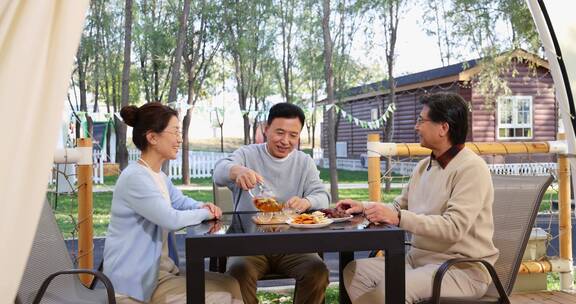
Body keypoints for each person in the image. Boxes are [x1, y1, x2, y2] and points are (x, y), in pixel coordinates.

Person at [337, 92, 499, 303]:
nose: (416, 127)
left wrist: (398, 217)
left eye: (421, 121)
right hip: (417, 261)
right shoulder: (424, 166)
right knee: (354, 271)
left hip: (459, 269)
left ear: (444, 128)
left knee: (389, 291)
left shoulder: (472, 168)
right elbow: (397, 206)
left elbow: (453, 228)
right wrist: (364, 207)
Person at [103, 102, 243, 304]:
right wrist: (206, 214)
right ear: (152, 137)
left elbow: (180, 202)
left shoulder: (157, 175)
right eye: (175, 132)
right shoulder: (135, 177)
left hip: (161, 275)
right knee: (225, 298)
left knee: (231, 284)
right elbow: (171, 219)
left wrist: (201, 206)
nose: (180, 139)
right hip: (136, 285)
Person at [213, 102, 330, 304]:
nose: (285, 141)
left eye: (293, 135)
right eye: (279, 132)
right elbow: (219, 172)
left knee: (317, 271)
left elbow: (323, 196)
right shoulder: (247, 154)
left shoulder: (304, 161)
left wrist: (306, 201)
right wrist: (238, 171)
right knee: (238, 272)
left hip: (294, 246)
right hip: (249, 246)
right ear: (266, 130)